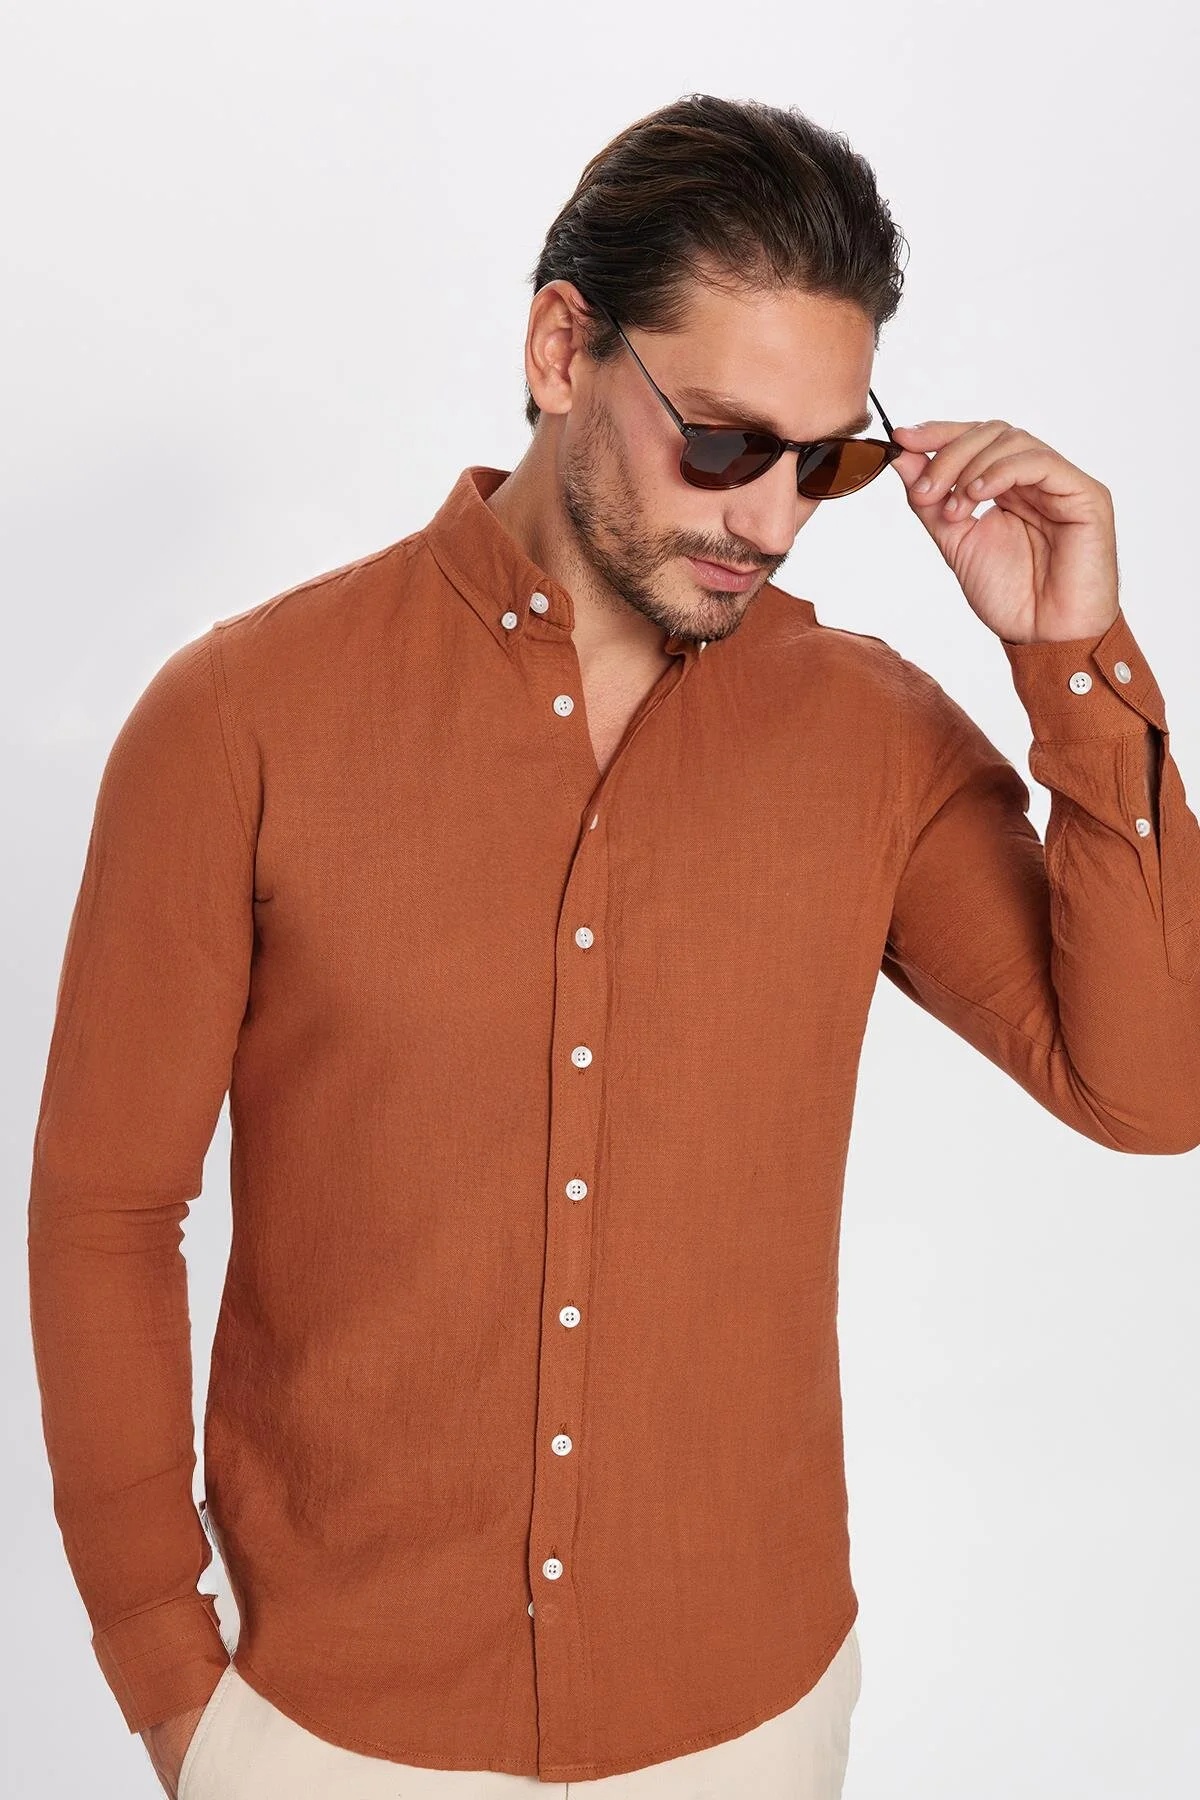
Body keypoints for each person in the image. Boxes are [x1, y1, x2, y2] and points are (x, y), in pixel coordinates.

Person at [27, 92, 1200, 1800]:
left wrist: (1073, 659)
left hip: (745, 1724)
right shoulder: (239, 720)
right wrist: (170, 1681)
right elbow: (107, 1214)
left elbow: (1150, 1087)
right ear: (563, 349)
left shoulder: (867, 736)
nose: (770, 521)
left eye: (826, 464)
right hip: (328, 1736)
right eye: (723, 443)